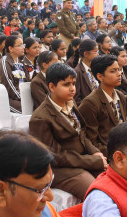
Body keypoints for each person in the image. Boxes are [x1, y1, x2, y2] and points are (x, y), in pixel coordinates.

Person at [29, 62, 107, 200]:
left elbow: (81, 134)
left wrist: (95, 152)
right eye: (66, 85)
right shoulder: (40, 118)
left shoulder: (70, 103)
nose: (72, 89)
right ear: (52, 87)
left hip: (80, 160)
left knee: (115, 180)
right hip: (60, 169)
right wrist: (92, 161)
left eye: (74, 84)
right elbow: (55, 157)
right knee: (96, 193)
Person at [78, 55, 127, 155]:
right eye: (113, 71)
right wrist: (117, 154)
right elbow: (91, 141)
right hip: (108, 153)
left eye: (119, 70)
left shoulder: (120, 96)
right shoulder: (90, 103)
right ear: (100, 76)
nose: (119, 74)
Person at [0, 34, 25, 112]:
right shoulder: (4, 62)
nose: (23, 48)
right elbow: (9, 86)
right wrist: (25, 98)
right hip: (6, 98)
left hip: (20, 96)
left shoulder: (20, 62)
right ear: (11, 48)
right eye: (20, 46)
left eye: (23, 45)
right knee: (28, 109)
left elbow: (26, 82)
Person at [72, 39, 99, 105]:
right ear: (86, 54)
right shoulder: (77, 72)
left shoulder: (97, 68)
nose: (98, 54)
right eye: (95, 52)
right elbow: (76, 99)